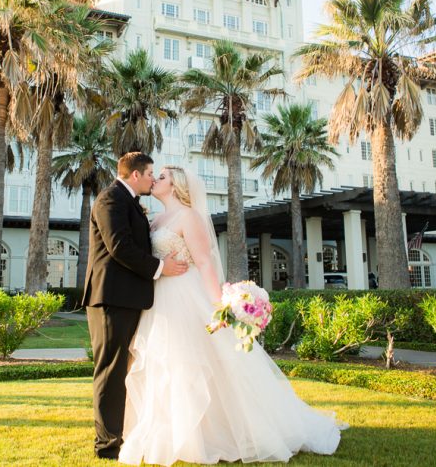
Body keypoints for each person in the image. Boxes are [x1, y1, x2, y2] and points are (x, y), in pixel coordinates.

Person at [118, 166, 343, 465]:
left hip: (186, 297)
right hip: (160, 300)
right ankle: (173, 432)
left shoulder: (190, 217)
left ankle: (209, 435)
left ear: (176, 186)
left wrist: (219, 306)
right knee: (166, 365)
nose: (154, 180)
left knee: (195, 364)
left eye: (161, 177)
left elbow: (205, 263)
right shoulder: (156, 219)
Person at [81, 152, 189, 461]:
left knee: (125, 370)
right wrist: (160, 268)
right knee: (111, 372)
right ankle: (107, 446)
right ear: (134, 176)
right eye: (150, 173)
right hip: (111, 299)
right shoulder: (110, 200)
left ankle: (124, 434)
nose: (153, 179)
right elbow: (119, 247)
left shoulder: (128, 201)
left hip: (128, 299)